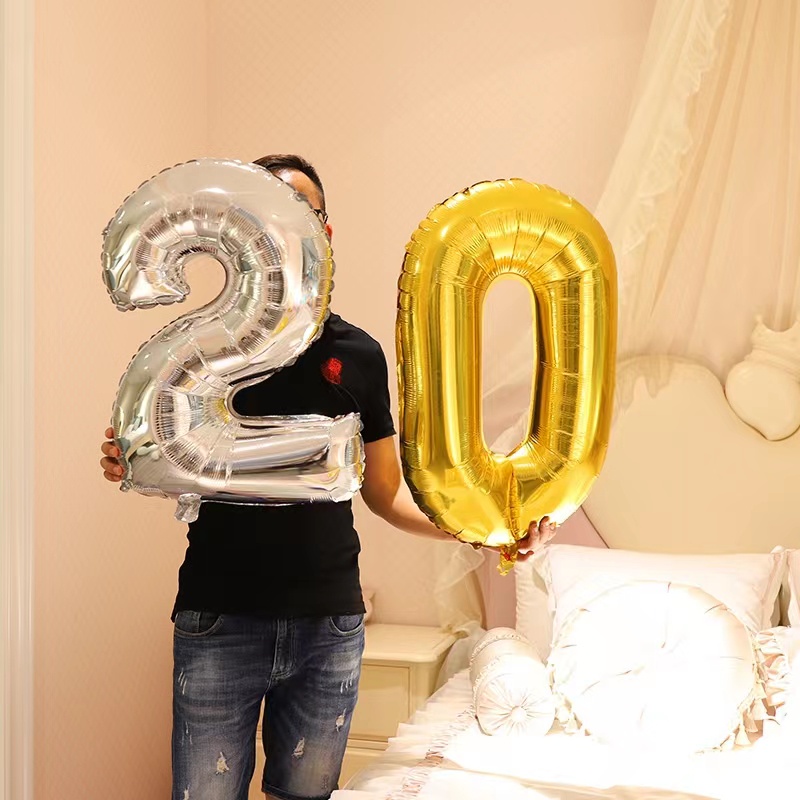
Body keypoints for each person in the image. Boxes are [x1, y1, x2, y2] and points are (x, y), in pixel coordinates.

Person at [99, 153, 557, 800]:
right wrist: (138, 456)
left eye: (301, 210)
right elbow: (175, 459)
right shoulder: (207, 359)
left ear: (325, 230)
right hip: (221, 616)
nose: (283, 222)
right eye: (265, 207)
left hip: (328, 624)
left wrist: (489, 531)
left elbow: (387, 494)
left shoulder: (358, 355)